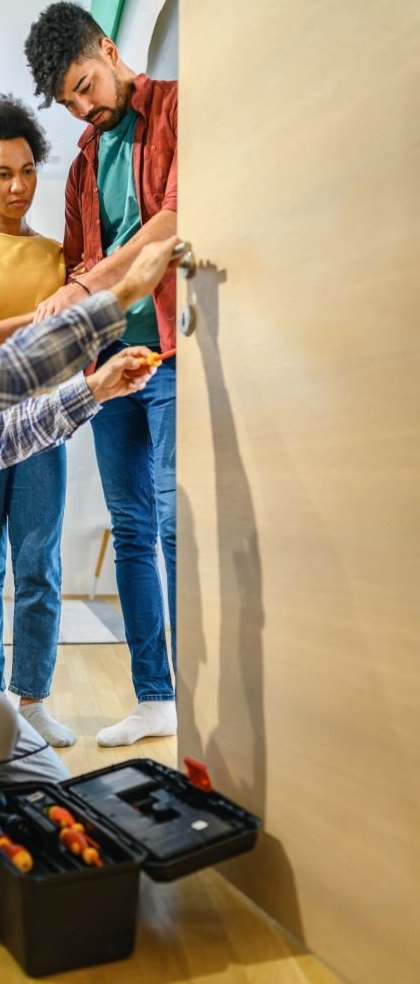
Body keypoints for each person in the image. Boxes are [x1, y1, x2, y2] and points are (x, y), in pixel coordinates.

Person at [25, 2, 178, 747]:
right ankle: (155, 696)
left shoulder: (180, 110)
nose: (86, 108)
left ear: (111, 50)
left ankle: (202, 703)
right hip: (114, 365)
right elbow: (86, 253)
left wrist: (86, 288)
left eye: (88, 85)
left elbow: (173, 221)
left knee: (176, 522)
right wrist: (86, 283)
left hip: (178, 351)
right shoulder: (87, 157)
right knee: (134, 528)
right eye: (71, 102)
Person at [0, 93, 75, 748]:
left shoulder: (55, 258)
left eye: (26, 170)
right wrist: (38, 323)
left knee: (37, 564)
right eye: (2, 173)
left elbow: (69, 343)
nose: (19, 186)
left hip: (39, 425)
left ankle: (33, 701)